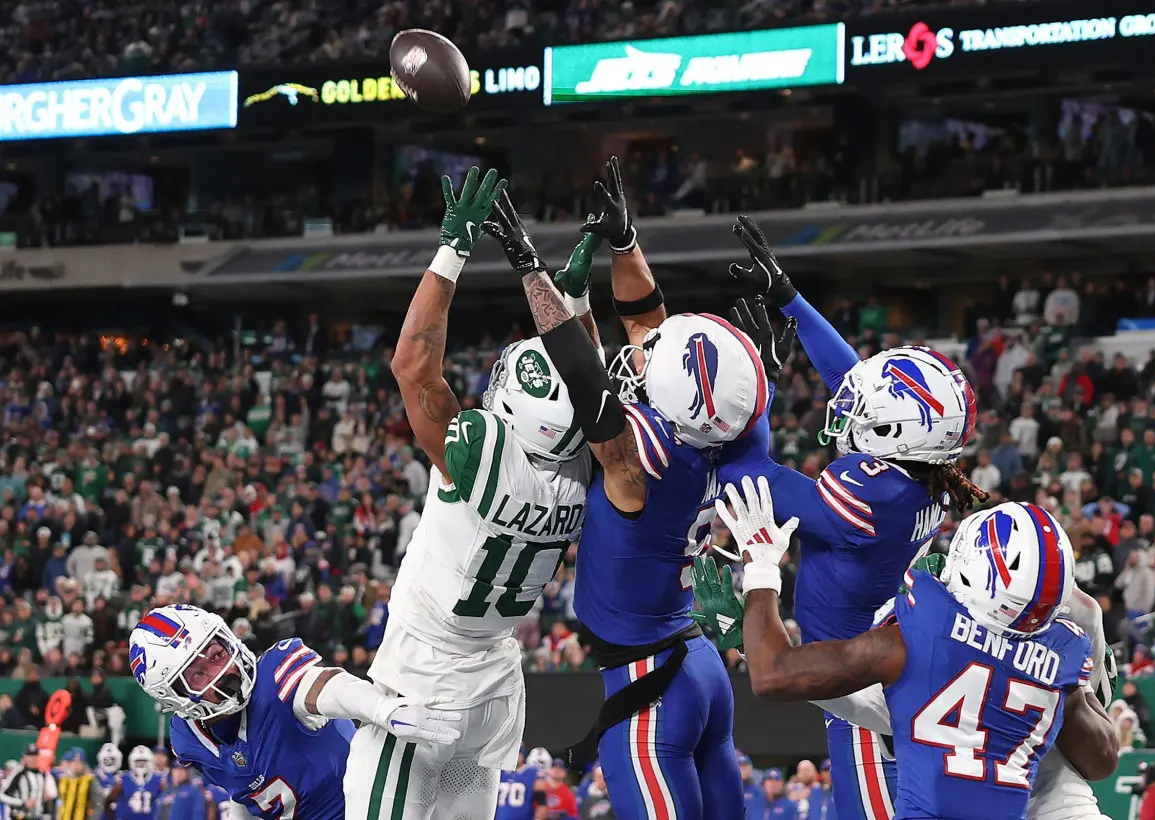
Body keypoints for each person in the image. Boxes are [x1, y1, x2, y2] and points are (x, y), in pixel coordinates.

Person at [482, 162, 769, 819]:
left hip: (651, 690)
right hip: (693, 665)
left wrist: (529, 265)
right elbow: (647, 324)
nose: (641, 351)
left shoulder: (636, 459)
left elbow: (585, 375)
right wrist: (624, 242)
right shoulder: (706, 430)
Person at [703, 217, 986, 820]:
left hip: (859, 697)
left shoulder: (867, 495)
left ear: (893, 434)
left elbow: (749, 477)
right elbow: (849, 378)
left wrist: (757, 381)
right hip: (866, 666)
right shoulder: (922, 475)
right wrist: (791, 300)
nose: (849, 411)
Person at [344, 167, 592, 820]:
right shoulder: (589, 470)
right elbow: (587, 396)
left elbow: (412, 365)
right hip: (496, 685)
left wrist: (452, 247)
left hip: (425, 678)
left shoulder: (478, 456)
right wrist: (577, 307)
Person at [719, 484, 1118, 820]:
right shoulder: (1067, 641)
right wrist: (1064, 684)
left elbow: (789, 679)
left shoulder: (912, 638)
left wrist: (761, 572)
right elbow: (1102, 761)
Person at [129, 605, 458, 820]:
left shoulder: (274, 678)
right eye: (198, 673)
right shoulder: (188, 739)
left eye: (216, 653)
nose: (224, 670)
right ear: (175, 697)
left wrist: (380, 707)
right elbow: (244, 792)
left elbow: (328, 687)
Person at [106, 747, 162, 820]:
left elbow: (167, 803)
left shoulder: (159, 780)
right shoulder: (123, 779)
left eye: (144, 761)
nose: (141, 764)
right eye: (138, 761)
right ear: (131, 762)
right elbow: (108, 802)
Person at [0, 746, 53, 820]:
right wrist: (22, 803)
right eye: (30, 756)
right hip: (19, 816)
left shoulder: (41, 774)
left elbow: (43, 801)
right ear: (25, 757)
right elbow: (2, 795)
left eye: (35, 756)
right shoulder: (19, 773)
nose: (33, 759)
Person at [494, 747, 547, 820]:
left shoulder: (533, 772)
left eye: (518, 753)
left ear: (523, 755)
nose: (514, 756)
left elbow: (542, 803)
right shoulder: (498, 772)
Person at [57, 748, 104, 820]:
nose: (76, 765)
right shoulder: (63, 780)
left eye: (79, 762)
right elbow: (59, 803)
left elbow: (98, 805)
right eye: (74, 762)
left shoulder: (90, 780)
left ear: (84, 764)